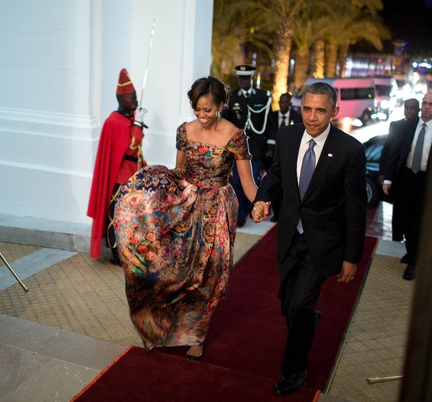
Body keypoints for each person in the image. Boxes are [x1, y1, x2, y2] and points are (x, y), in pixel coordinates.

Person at [113, 76, 260, 360]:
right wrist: (149, 193)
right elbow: (179, 171)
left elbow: (248, 182)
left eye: (208, 110)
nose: (202, 116)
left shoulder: (235, 135)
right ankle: (160, 327)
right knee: (172, 268)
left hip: (217, 209)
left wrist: (261, 203)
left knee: (208, 275)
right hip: (186, 204)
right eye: (197, 109)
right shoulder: (184, 131)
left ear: (221, 105)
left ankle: (197, 335)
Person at [252, 82, 366, 396]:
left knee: (300, 306)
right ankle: (306, 319)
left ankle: (294, 368)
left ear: (334, 112)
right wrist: (263, 199)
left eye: (320, 110)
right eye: (307, 109)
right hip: (288, 236)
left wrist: (352, 256)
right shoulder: (288, 137)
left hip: (324, 243)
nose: (312, 117)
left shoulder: (350, 150)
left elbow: (356, 210)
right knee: (289, 305)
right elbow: (275, 175)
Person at [87, 68, 148, 266]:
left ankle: (131, 249)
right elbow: (131, 148)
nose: (136, 100)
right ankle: (116, 252)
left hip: (133, 174)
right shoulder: (115, 122)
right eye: (133, 96)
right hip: (120, 177)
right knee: (118, 216)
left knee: (132, 217)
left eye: (136, 96)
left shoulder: (126, 119)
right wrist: (138, 124)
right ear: (122, 98)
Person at [383, 92, 432, 280]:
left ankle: (413, 262)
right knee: (406, 219)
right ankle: (411, 250)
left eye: (431, 104)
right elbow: (395, 153)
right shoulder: (407, 126)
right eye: (424, 103)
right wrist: (388, 179)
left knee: (419, 221)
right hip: (406, 178)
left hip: (428, 181)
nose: (426, 107)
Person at [222, 65, 274, 227]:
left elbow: (270, 123)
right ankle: (241, 214)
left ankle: (251, 209)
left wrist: (270, 145)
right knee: (238, 182)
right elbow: (226, 122)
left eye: (246, 78)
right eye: (241, 78)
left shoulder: (263, 96)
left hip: (256, 147)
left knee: (254, 180)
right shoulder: (232, 97)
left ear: (251, 79)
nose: (243, 81)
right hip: (237, 147)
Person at [379, 98, 420, 262]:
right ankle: (396, 243)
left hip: (410, 177)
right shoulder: (396, 126)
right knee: (397, 214)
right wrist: (384, 173)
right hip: (397, 177)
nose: (409, 111)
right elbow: (387, 150)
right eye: (407, 108)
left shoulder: (419, 127)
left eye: (412, 108)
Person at [268, 92, 303, 222]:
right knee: (275, 187)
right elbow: (269, 134)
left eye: (285, 102)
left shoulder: (297, 117)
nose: (282, 105)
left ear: (289, 104)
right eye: (281, 102)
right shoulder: (272, 116)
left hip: (291, 159)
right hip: (274, 159)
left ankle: (288, 214)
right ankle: (276, 214)